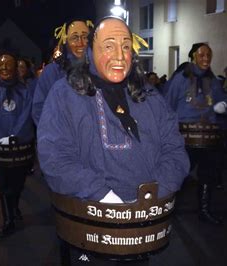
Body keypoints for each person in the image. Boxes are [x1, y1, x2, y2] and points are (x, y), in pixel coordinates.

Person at [37, 16, 189, 265]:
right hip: (91, 228)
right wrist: (103, 196)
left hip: (142, 230)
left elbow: (174, 150)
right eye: (109, 45)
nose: (120, 55)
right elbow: (55, 158)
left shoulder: (150, 95)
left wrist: (153, 195)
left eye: (126, 46)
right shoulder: (64, 95)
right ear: (90, 51)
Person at [165, 42, 227, 225]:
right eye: (202, 55)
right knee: (179, 173)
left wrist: (224, 105)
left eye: (209, 55)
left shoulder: (213, 81)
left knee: (208, 174)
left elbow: (225, 98)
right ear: (193, 56)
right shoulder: (180, 78)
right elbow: (167, 105)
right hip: (185, 136)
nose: (206, 59)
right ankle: (168, 209)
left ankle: (204, 210)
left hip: (209, 136)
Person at [0, 53, 35, 239]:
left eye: (9, 67)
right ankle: (8, 220)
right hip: (0, 148)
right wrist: (0, 138)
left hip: (20, 146)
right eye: (2, 67)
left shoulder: (25, 91)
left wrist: (16, 136)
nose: (5, 70)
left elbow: (27, 114)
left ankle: (14, 208)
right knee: (3, 183)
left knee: (18, 182)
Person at [32, 18, 92, 125]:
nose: (81, 43)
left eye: (85, 37)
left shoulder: (97, 70)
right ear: (65, 41)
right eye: (74, 37)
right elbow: (39, 109)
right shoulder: (52, 72)